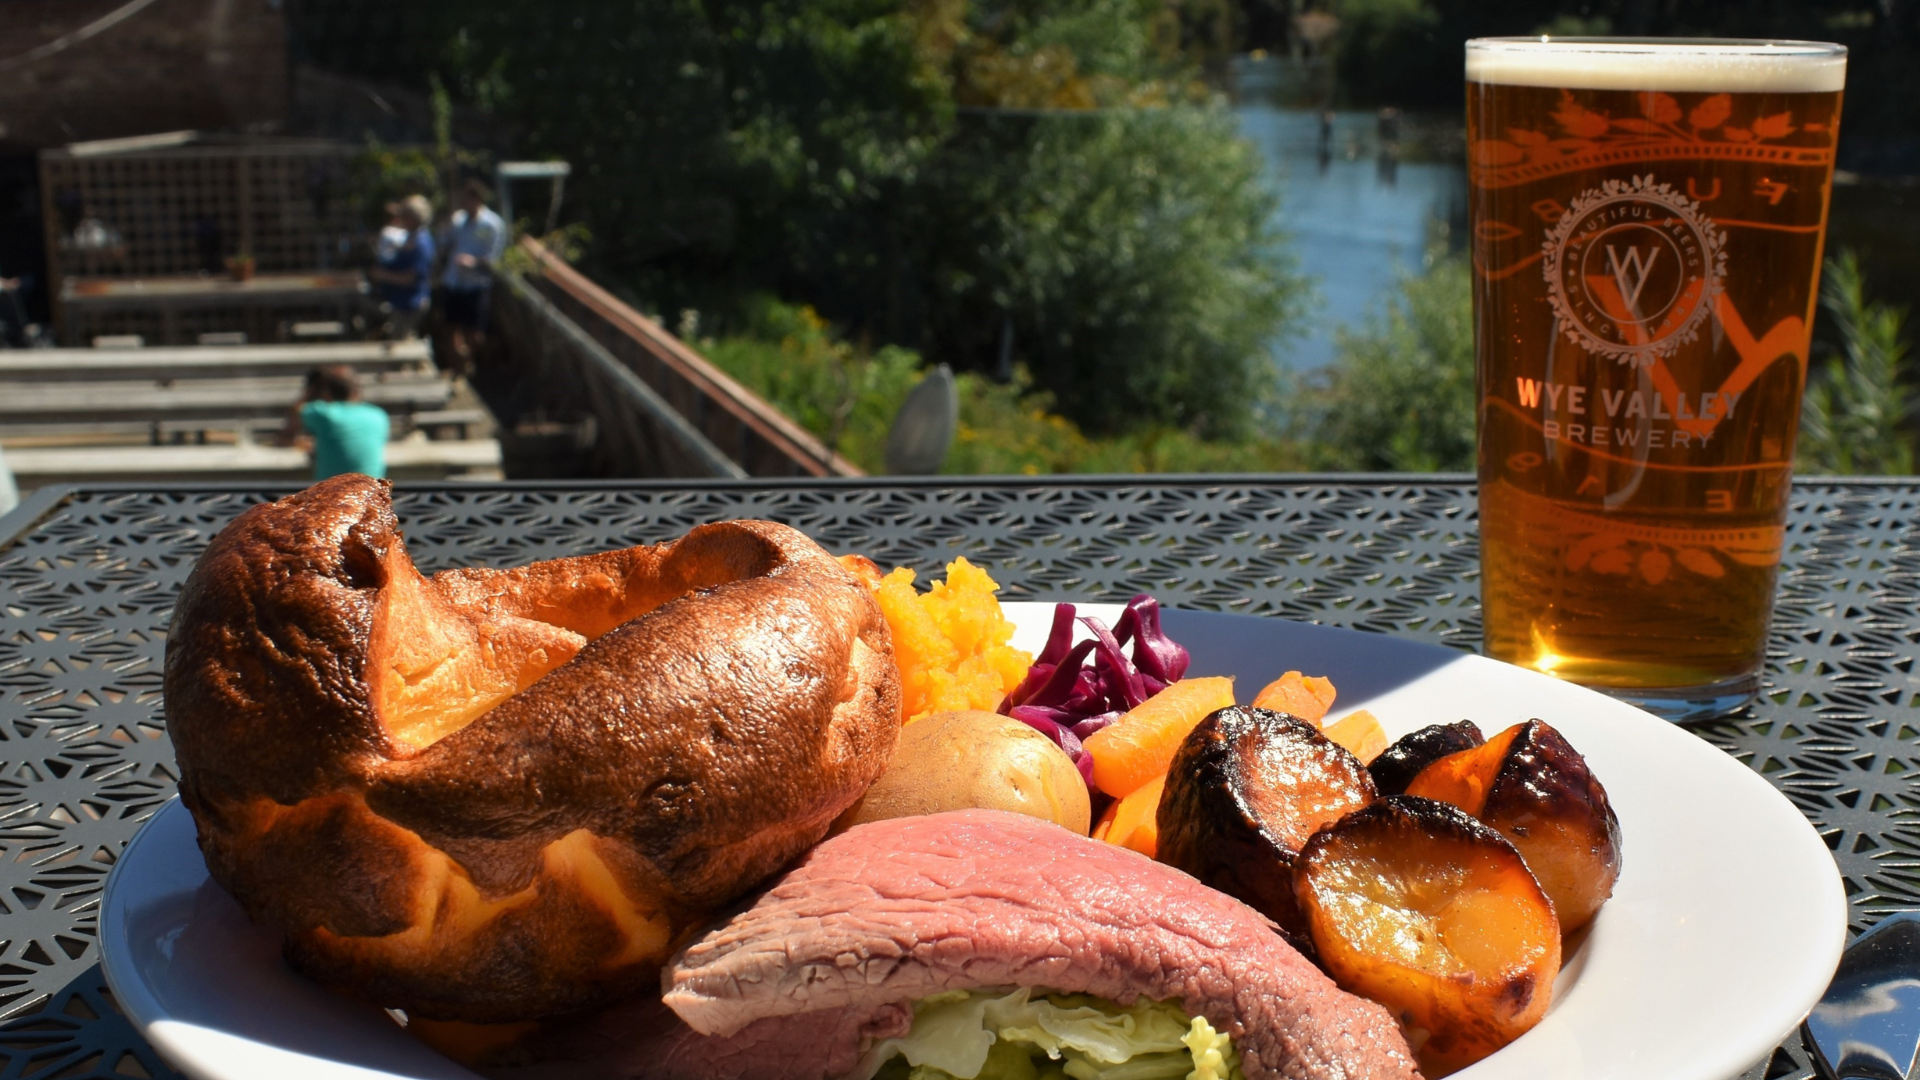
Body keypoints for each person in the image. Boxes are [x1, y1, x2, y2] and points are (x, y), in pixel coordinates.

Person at [441, 178, 507, 377]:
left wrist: (474, 262)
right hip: (453, 281)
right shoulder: (458, 220)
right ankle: (458, 368)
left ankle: (467, 362)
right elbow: (443, 242)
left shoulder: (492, 224)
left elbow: (495, 258)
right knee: (451, 327)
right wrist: (446, 223)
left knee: (475, 333)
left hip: (476, 283)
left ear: (478, 200)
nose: (464, 203)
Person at [290, 365, 389, 480]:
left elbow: (297, 411)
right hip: (372, 492)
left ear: (326, 391)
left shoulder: (324, 414)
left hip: (332, 494)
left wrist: (312, 390)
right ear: (357, 389)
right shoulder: (378, 415)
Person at [368, 195, 435, 340]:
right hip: (403, 302)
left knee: (399, 345)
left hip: (412, 304)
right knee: (402, 341)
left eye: (404, 215)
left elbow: (410, 278)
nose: (401, 218)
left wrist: (382, 275)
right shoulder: (412, 237)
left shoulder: (421, 243)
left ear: (413, 218)